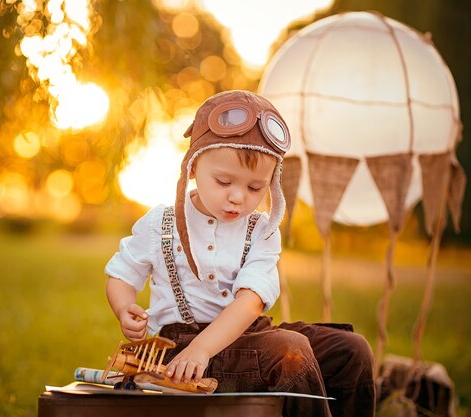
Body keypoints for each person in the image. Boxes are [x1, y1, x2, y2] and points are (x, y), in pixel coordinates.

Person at [105, 90, 375, 416]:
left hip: (248, 335)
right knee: (291, 351)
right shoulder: (160, 222)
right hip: (183, 350)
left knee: (351, 349)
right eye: (223, 181)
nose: (237, 197)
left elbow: (250, 302)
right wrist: (124, 309)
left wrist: (206, 349)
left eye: (254, 188)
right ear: (192, 168)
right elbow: (122, 273)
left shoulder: (261, 231)